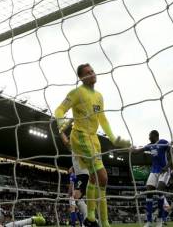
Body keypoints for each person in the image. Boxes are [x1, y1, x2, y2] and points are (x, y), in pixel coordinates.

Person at [55, 64, 130, 227]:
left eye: (93, 71)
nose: (92, 74)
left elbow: (102, 120)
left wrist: (113, 139)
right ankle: (96, 218)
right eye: (88, 73)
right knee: (102, 176)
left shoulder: (99, 96)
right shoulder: (76, 93)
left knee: (97, 179)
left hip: (94, 138)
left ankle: (97, 220)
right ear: (81, 78)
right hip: (80, 136)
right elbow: (59, 110)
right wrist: (61, 123)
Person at [131, 130, 173, 227]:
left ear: (156, 136)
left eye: (150, 136)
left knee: (159, 191)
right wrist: (132, 150)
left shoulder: (163, 142)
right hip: (154, 171)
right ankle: (149, 221)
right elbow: (138, 151)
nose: (149, 138)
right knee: (149, 192)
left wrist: (167, 166)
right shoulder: (150, 145)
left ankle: (159, 220)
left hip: (164, 171)